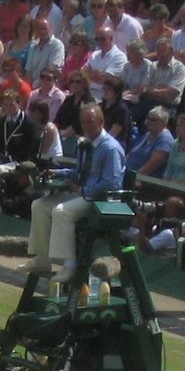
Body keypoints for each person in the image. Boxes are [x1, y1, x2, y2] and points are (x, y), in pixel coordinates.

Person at [26, 102, 124, 280]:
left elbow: (112, 183)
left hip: (100, 200)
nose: (86, 126)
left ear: (101, 122)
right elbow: (78, 172)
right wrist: (58, 172)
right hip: (81, 195)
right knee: (39, 205)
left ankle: (69, 266)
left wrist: (82, 189)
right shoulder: (85, 144)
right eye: (83, 122)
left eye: (90, 122)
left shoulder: (111, 148)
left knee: (61, 212)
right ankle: (42, 259)